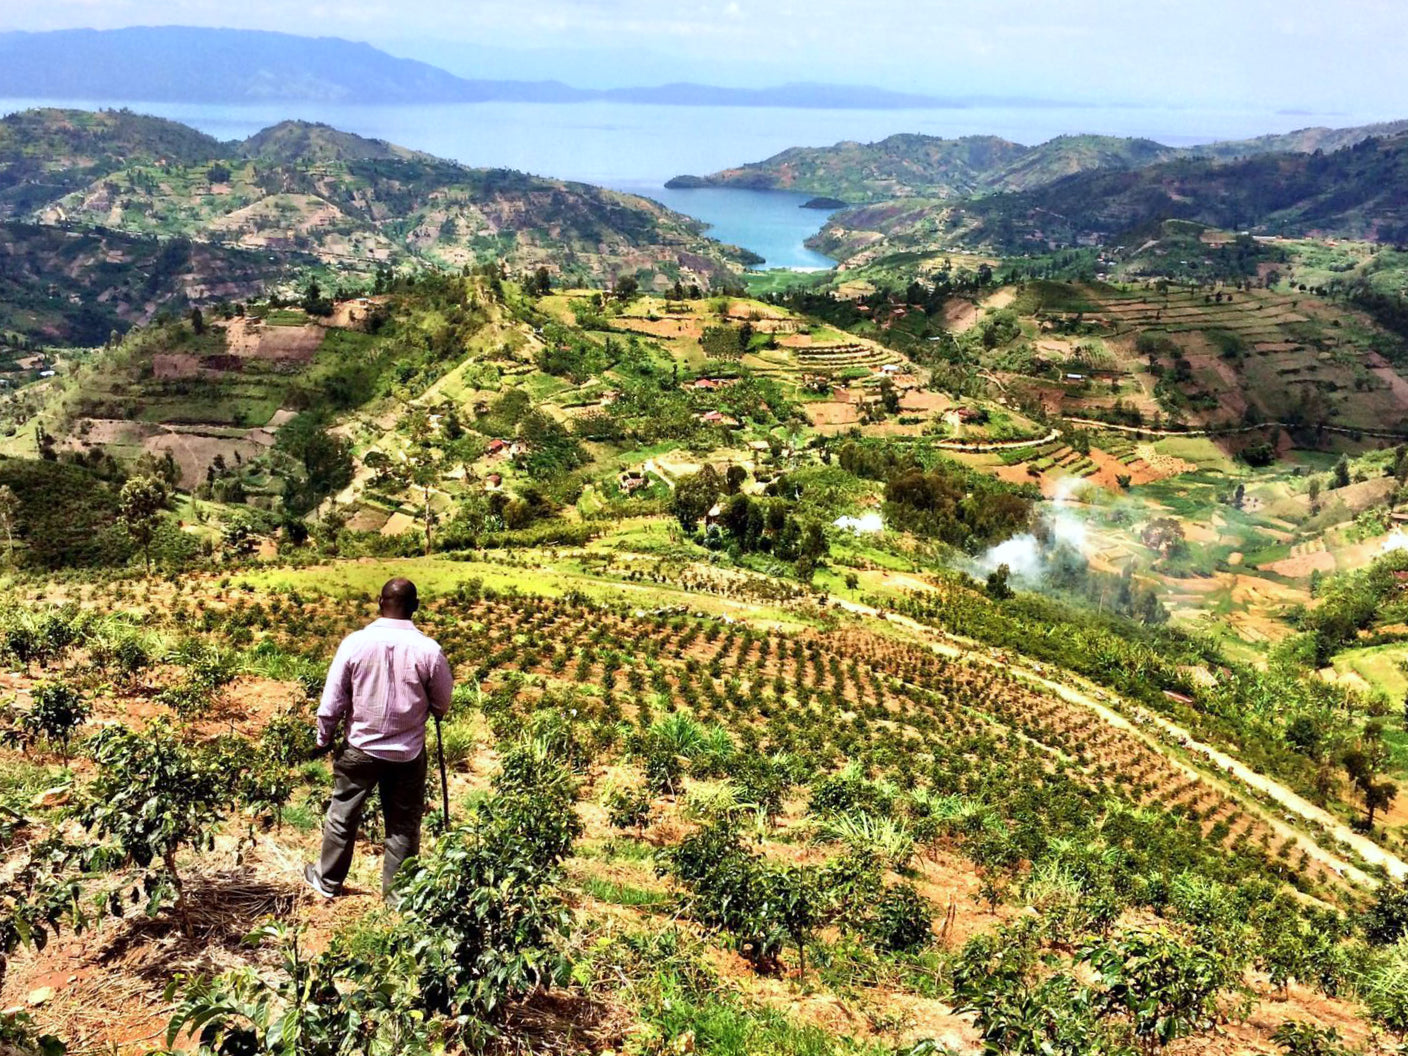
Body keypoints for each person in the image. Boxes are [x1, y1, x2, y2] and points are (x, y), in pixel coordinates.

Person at [304, 577, 453, 899]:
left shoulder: (354, 643)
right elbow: (442, 702)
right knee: (402, 826)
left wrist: (323, 738)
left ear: (379, 602)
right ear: (415, 607)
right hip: (407, 754)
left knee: (342, 815)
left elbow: (332, 699)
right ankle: (398, 900)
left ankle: (327, 882)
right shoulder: (429, 650)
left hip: (360, 747)